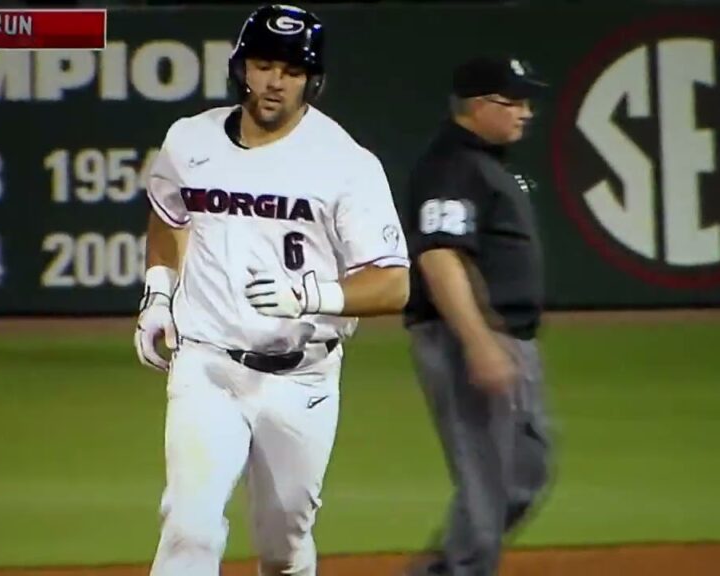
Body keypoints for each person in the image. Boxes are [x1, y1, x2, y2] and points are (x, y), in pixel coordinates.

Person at [132, 4, 410, 576]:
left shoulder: (346, 164)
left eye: (291, 69)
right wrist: (158, 293)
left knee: (283, 547)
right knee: (190, 527)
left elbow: (394, 283)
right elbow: (167, 217)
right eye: (263, 65)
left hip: (301, 377)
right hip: (206, 366)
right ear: (241, 68)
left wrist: (312, 297)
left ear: (313, 79)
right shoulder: (190, 140)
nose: (275, 81)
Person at [401, 55, 555, 576]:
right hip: (464, 336)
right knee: (487, 485)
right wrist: (478, 341)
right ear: (479, 105)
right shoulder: (451, 165)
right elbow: (440, 255)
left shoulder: (486, 162)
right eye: (514, 101)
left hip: (507, 337)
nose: (526, 112)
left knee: (525, 473)